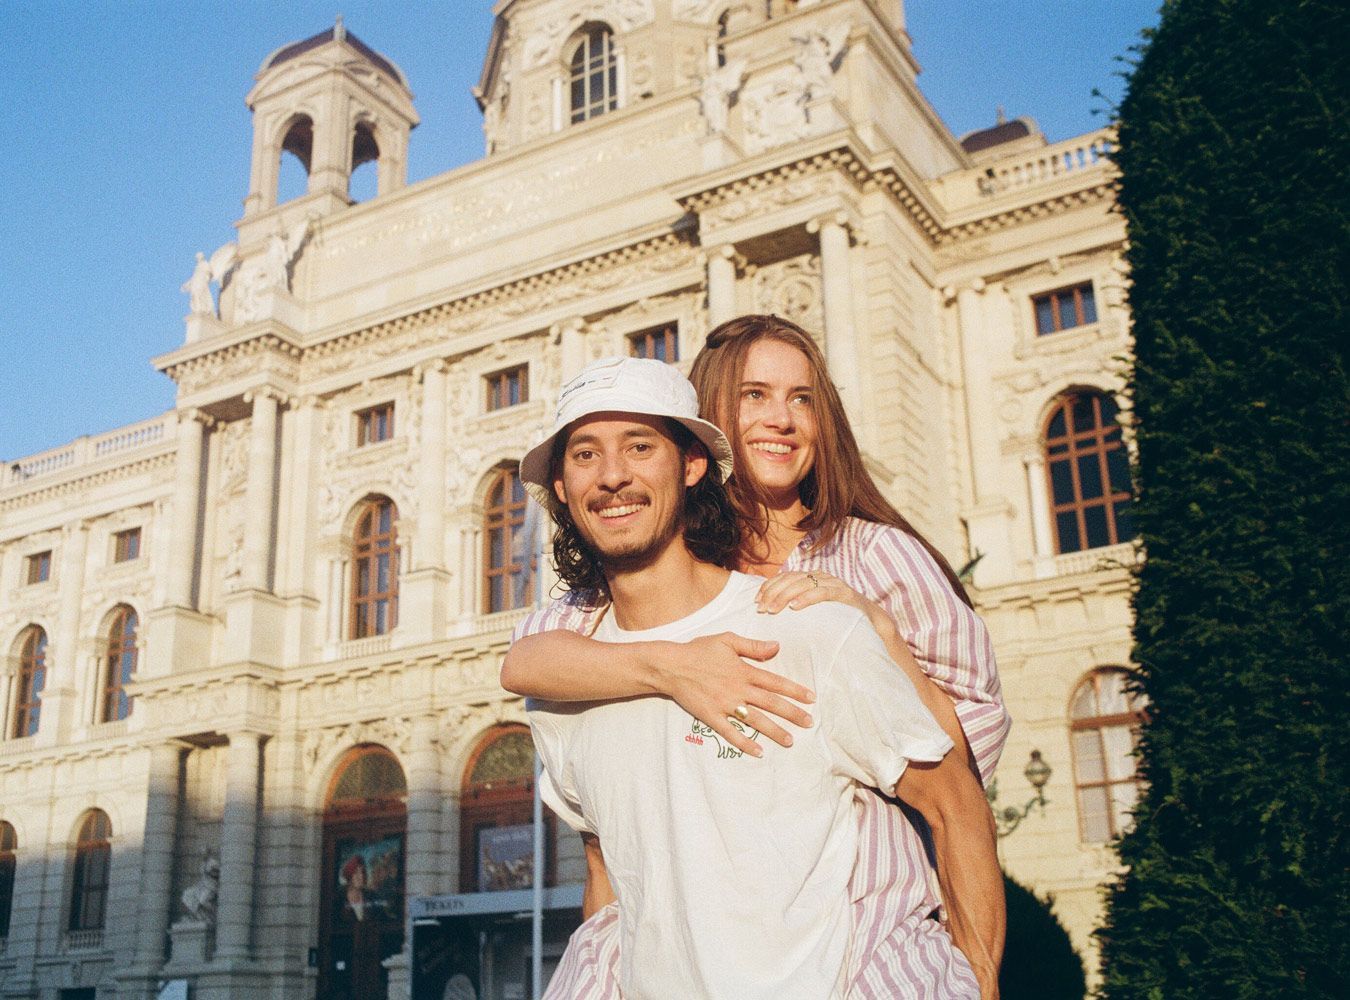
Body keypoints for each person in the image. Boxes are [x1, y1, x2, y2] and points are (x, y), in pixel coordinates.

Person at [504, 315, 1009, 998]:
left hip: (864, 936)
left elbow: (957, 782)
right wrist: (671, 664)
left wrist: (879, 636)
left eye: (802, 399)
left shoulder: (858, 573)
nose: (782, 420)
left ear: (687, 460)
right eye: (755, 396)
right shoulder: (621, 601)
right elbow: (526, 661)